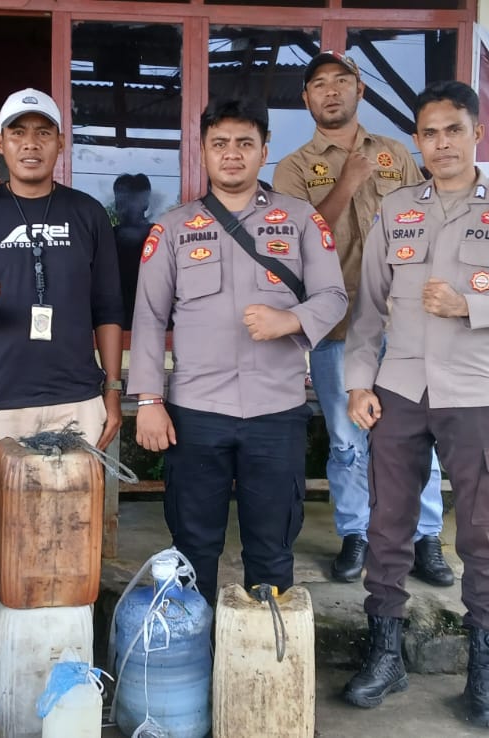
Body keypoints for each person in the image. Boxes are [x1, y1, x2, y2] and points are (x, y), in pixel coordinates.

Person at [340, 80, 489, 728]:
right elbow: (368, 309)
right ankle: (386, 655)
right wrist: (358, 381)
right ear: (417, 141)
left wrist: (471, 305)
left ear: (476, 133)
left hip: (473, 392)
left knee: (483, 537)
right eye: (430, 133)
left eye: (453, 130)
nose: (442, 144)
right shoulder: (397, 208)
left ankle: (484, 672)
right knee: (387, 530)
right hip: (401, 391)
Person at [130, 98, 346, 604]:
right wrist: (148, 400)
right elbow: (148, 316)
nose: (232, 154)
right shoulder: (174, 228)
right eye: (220, 144)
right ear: (202, 152)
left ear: (264, 151)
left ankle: (262, 672)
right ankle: (196, 660)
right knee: (193, 548)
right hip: (196, 414)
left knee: (271, 551)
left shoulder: (299, 219)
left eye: (245, 143)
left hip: (276, 412)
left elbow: (334, 297)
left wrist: (291, 319)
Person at [0, 88, 124, 646]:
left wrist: (112, 391)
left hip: (76, 399)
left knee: (72, 526)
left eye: (43, 133)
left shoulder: (87, 213)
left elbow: (110, 310)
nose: (31, 144)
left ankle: (63, 635)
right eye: (19, 132)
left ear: (60, 144)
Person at [273, 51, 453, 587]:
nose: (331, 92)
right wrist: (348, 181)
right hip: (336, 327)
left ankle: (426, 538)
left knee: (417, 435)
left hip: (406, 328)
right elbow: (293, 241)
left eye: (341, 82)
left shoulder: (398, 154)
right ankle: (357, 533)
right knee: (348, 440)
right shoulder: (295, 167)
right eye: (319, 85)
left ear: (360, 91)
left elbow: (426, 223)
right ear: (306, 100)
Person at [111, 173, 153, 326]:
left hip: (154, 321)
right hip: (112, 321)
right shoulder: (107, 237)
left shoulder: (159, 237)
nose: (122, 206)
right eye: (120, 199)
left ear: (145, 203)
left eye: (131, 199)